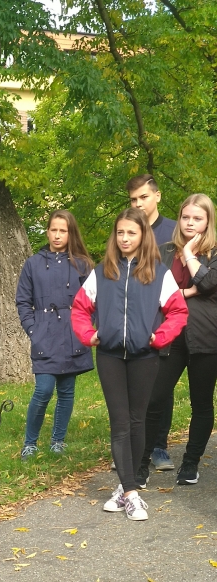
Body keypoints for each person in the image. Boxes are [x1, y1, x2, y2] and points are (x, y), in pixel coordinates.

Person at [71, 208, 187, 521]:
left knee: (138, 422)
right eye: (120, 232)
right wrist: (90, 334)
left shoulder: (158, 273)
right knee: (120, 422)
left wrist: (159, 338)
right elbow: (80, 309)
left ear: (142, 236)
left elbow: (178, 312)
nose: (124, 238)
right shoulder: (102, 272)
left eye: (131, 233)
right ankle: (133, 493)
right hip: (109, 356)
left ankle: (124, 490)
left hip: (145, 357)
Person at [137, 194, 217, 487]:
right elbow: (148, 289)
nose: (190, 223)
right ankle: (141, 465)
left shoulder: (215, 252)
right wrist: (188, 293)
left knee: (201, 404)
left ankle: (191, 464)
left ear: (208, 221)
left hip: (207, 339)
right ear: (179, 219)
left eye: (198, 218)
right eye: (186, 217)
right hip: (169, 338)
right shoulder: (164, 251)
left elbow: (208, 283)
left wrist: (191, 255)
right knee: (154, 400)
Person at [16, 210, 94, 459]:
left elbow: (94, 300)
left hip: (73, 334)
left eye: (63, 230)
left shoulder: (82, 264)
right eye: (54, 230)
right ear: (47, 231)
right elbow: (22, 301)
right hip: (45, 335)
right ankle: (30, 442)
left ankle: (58, 441)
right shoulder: (33, 264)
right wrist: (33, 329)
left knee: (67, 390)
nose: (58, 235)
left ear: (70, 233)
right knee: (44, 389)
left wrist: (87, 329)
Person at [127, 174, 177, 470]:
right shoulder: (127, 230)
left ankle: (159, 447)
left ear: (157, 196)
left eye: (143, 197)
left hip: (164, 321)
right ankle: (132, 447)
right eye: (134, 199)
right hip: (132, 320)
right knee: (134, 388)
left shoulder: (173, 231)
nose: (139, 204)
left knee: (161, 388)